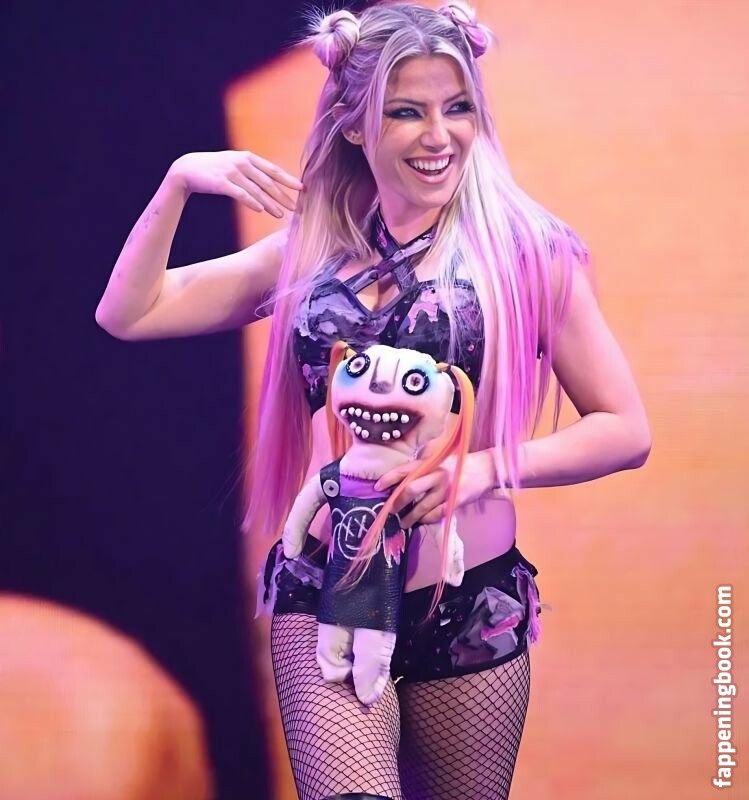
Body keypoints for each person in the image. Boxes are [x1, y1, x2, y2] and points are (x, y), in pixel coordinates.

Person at [96, 2, 651, 798]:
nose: (438, 136)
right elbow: (130, 312)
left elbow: (624, 429)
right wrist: (181, 180)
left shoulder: (528, 255)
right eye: (406, 112)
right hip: (325, 591)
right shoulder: (312, 251)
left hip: (468, 604)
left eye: (456, 108)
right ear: (355, 126)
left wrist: (480, 468)